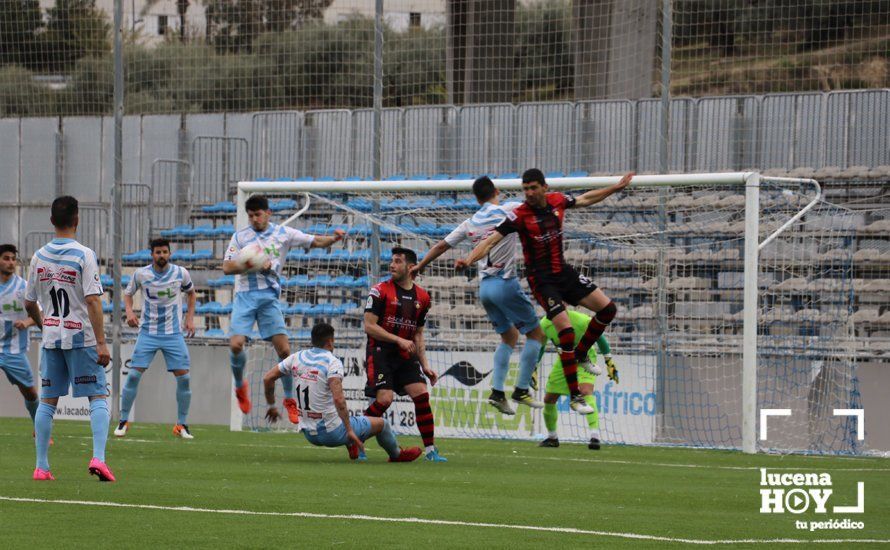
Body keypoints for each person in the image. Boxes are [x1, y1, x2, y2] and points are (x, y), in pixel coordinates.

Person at [458, 169, 632, 414]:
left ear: (544, 187)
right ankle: (575, 397)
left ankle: (582, 353)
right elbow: (490, 241)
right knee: (566, 330)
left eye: (533, 188)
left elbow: (585, 199)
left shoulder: (557, 201)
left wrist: (615, 188)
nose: (528, 193)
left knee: (608, 310)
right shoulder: (519, 216)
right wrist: (469, 259)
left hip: (563, 272)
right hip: (542, 281)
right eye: (525, 188)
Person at [410, 176, 545, 415]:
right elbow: (534, 203)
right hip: (505, 283)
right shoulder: (509, 210)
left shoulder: (469, 223)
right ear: (496, 191)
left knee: (509, 337)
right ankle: (522, 389)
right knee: (536, 335)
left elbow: (441, 246)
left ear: (476, 198)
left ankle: (497, 392)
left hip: (485, 290)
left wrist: (420, 266)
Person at [222, 194, 345, 422]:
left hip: (269, 298)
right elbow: (227, 268)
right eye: (250, 216)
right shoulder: (240, 237)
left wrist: (333, 239)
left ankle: (289, 399)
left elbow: (314, 241)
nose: (254, 219)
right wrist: (247, 263)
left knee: (285, 352)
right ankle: (240, 385)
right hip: (245, 297)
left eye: (258, 215)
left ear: (268, 213)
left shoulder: (283, 234)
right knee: (236, 345)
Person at [24, 196, 115, 482]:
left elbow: (29, 303)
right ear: (77, 220)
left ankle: (41, 467)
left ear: (52, 221)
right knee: (97, 395)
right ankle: (98, 458)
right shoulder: (84, 254)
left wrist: (45, 325)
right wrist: (101, 342)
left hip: (52, 339)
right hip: (81, 338)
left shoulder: (38, 256)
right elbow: (93, 301)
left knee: (48, 402)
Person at [263, 322, 422, 463]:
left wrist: (271, 405)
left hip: (308, 434)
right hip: (331, 433)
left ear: (313, 340)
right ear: (330, 341)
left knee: (351, 419)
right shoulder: (332, 362)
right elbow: (339, 400)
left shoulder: (296, 357)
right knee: (382, 424)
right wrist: (349, 431)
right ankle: (396, 455)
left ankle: (350, 441)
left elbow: (268, 378)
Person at [363, 247, 447, 462]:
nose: (392, 265)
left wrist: (425, 364)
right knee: (384, 399)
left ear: (411, 267)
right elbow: (369, 326)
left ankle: (430, 450)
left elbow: (418, 334)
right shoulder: (380, 291)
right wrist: (398, 339)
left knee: (421, 394)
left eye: (398, 261)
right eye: (391, 261)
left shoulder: (423, 297)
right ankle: (354, 438)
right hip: (381, 351)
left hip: (405, 354)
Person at [114, 238, 197, 439]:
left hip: (173, 334)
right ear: (152, 254)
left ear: (169, 253)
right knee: (133, 375)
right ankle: (123, 421)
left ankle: (182, 424)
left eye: (165, 252)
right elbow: (127, 295)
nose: (162, 255)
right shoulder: (141, 274)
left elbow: (192, 293)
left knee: (184, 379)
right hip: (148, 333)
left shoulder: (180, 273)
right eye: (158, 252)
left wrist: (190, 318)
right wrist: (130, 312)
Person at [536, 310, 618, 450]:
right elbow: (541, 346)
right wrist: (534, 366)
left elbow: (599, 338)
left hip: (585, 357)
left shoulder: (581, 320)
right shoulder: (544, 324)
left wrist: (609, 361)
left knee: (585, 391)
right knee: (549, 399)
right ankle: (552, 438)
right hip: (564, 360)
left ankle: (595, 436)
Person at [0, 244, 40, 428]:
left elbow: (39, 314)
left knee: (30, 393)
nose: (10, 262)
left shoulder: (23, 287)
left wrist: (27, 322)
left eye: (13, 259)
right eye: (6, 258)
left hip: (13, 349)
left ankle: (38, 428)